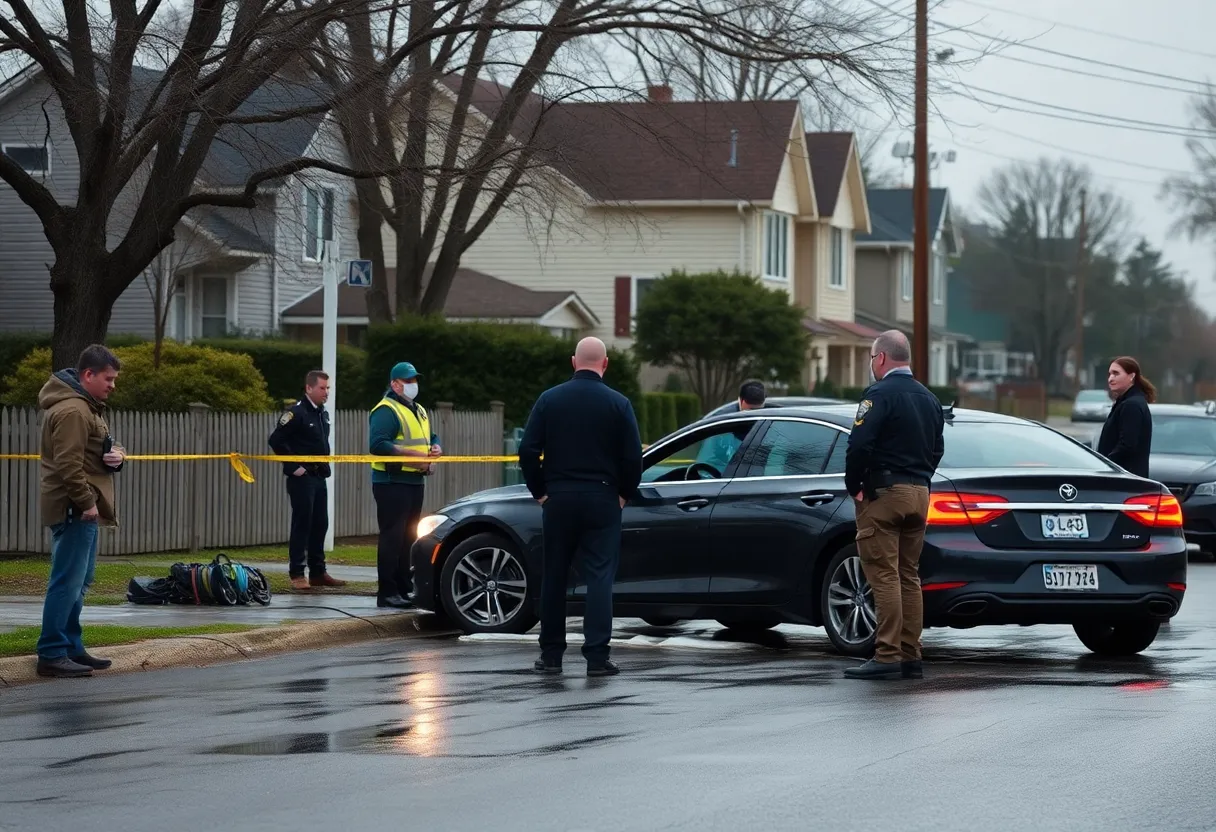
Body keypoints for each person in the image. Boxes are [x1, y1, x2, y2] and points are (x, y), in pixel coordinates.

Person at [519, 337, 643, 677]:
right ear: (605, 364)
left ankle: (551, 655)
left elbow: (528, 450)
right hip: (603, 498)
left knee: (555, 575)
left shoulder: (550, 399)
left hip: (559, 498)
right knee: (600, 576)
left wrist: (540, 491)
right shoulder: (619, 404)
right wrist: (623, 494)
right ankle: (597, 657)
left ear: (574, 362)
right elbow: (633, 457)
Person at [843, 330, 944, 681]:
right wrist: (921, 478)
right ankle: (910, 654)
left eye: (872, 359)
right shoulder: (929, 398)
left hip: (884, 493)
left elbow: (859, 444)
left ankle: (887, 655)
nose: (872, 365)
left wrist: (853, 485)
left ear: (881, 358)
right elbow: (937, 449)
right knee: (908, 576)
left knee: (883, 573)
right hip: (919, 493)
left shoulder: (878, 393)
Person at [35, 345, 126, 678]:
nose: (112, 385)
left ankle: (72, 647)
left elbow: (96, 448)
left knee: (80, 580)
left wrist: (118, 454)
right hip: (75, 508)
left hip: (83, 508)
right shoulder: (74, 410)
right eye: (108, 378)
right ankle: (52, 652)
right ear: (88, 375)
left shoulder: (88, 407)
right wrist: (87, 502)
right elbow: (68, 464)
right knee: (66, 582)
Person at [368, 362, 441, 609]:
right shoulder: (386, 410)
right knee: (392, 537)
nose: (413, 385)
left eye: (414, 380)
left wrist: (435, 447)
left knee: (409, 537)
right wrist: (414, 456)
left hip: (414, 481)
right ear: (394, 384)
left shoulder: (418, 409)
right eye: (407, 381)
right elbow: (378, 444)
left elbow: (430, 436)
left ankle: (404, 587)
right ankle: (387, 592)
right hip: (392, 482)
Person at [268, 370, 345, 590]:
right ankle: (297, 573)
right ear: (309, 388)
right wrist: (293, 467)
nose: (326, 392)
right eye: (322, 388)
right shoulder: (297, 413)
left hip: (318, 475)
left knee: (321, 523)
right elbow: (276, 440)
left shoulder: (322, 413)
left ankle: (318, 572)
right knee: (303, 523)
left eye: (328, 388)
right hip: (302, 478)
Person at [1096, 356, 1156, 479]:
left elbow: (1127, 445)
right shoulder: (1126, 402)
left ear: (1131, 376)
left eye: (1116, 373)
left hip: (1124, 480)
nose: (1110, 379)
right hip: (1122, 478)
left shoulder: (1131, 405)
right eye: (1110, 374)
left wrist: (1105, 464)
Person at [696, 379, 765, 472]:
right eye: (748, 411)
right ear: (740, 401)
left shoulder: (772, 422)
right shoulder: (722, 424)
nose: (752, 417)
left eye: (757, 412)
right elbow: (706, 463)